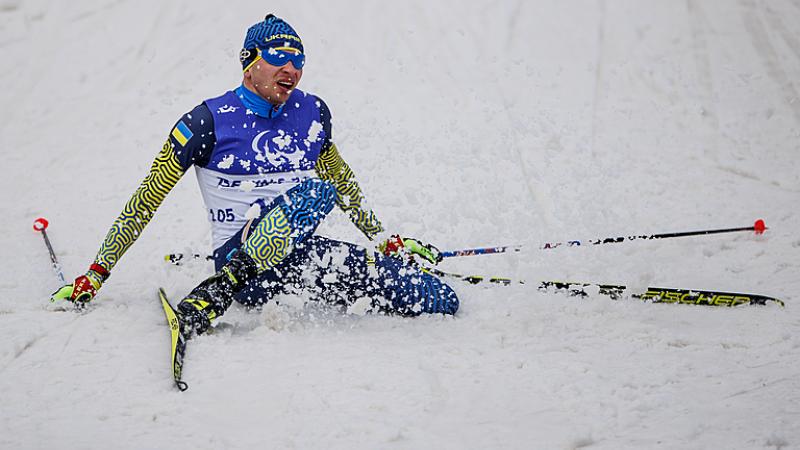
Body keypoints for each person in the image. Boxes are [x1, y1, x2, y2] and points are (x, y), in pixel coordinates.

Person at [52, 14, 459, 338]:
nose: (292, 68)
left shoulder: (312, 113)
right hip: (240, 266)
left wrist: (385, 241)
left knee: (439, 297)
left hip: (298, 260)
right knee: (315, 193)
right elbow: (146, 200)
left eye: (299, 59)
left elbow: (345, 184)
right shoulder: (207, 120)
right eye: (279, 56)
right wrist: (95, 273)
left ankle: (225, 289)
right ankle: (224, 286)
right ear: (250, 63)